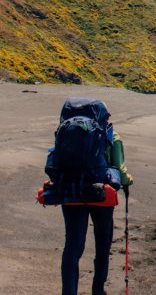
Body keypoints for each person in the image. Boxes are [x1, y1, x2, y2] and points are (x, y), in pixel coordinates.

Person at [48, 98, 133, 295]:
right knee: (103, 242)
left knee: (72, 246)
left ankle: (69, 292)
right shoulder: (111, 135)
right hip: (100, 194)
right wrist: (128, 180)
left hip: (70, 189)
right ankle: (98, 288)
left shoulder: (65, 132)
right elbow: (120, 173)